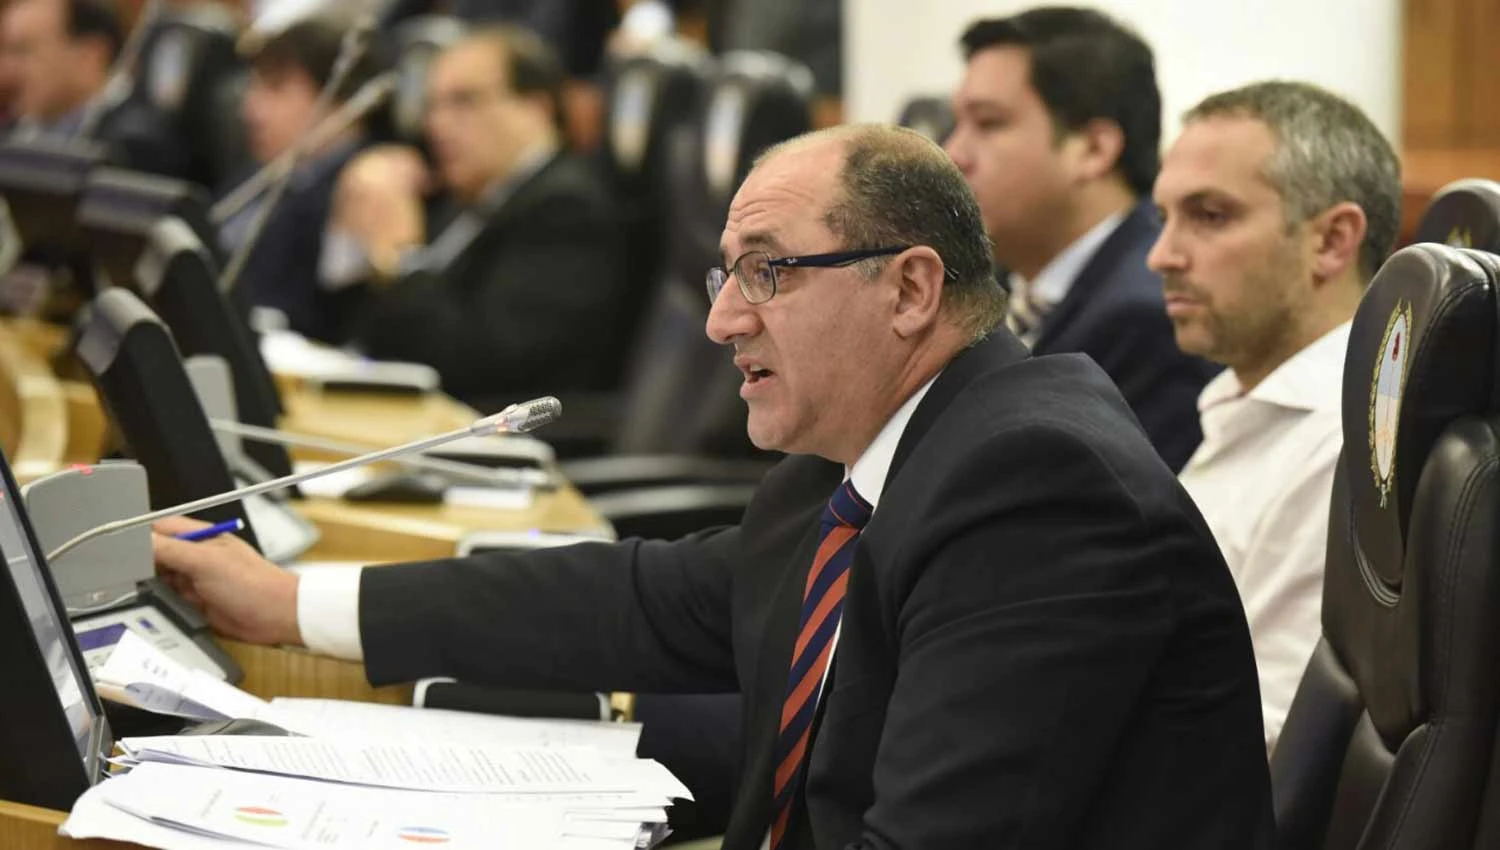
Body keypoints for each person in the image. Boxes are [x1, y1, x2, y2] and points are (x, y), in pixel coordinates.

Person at [154, 123, 1272, 850]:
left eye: (766, 271)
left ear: (910, 290)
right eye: (726, 273)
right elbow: (642, 598)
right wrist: (288, 602)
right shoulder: (865, 459)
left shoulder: (1037, 492)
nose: (722, 319)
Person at [1149, 80, 1402, 751]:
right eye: (1164, 217)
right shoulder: (1246, 400)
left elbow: (1265, 745)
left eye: (1209, 216)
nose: (1162, 255)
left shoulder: (1346, 446)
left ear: (1332, 241)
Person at [944, 7, 1219, 472]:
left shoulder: (1151, 317)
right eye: (958, 124)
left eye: (988, 123)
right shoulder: (992, 289)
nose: (953, 153)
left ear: (1093, 150)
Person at [319, 25, 629, 408]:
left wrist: (401, 256)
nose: (436, 124)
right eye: (432, 106)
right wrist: (355, 229)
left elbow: (479, 363)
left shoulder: (567, 209)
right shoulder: (463, 196)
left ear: (536, 107)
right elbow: (361, 330)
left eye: (464, 101)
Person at [218, 15, 387, 343]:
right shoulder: (256, 173)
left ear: (341, 99)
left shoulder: (361, 188)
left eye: (275, 88)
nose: (250, 109)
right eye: (254, 86)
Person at [0, 0, 117, 136]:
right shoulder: (16, 132)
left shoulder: (129, 138)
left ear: (89, 58)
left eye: (22, 51)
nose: (5, 71)